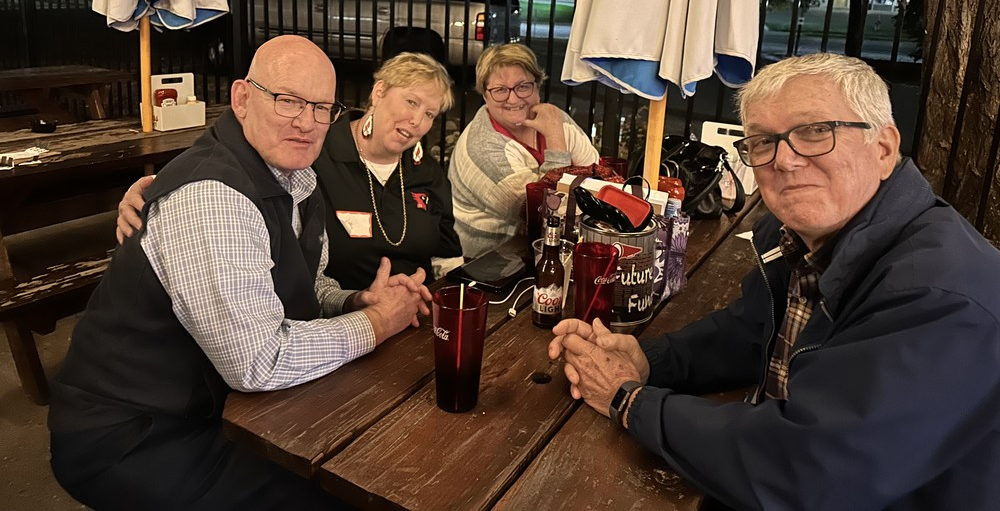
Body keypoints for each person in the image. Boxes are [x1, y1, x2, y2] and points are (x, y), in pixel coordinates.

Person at [549, 52, 1000, 510]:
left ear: (883, 148)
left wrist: (630, 401)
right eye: (764, 141)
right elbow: (751, 331)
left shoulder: (940, 298)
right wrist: (649, 360)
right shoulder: (805, 237)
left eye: (815, 131)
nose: (784, 159)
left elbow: (810, 471)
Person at [49, 36, 432, 510]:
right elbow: (258, 361)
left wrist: (354, 302)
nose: (307, 122)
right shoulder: (213, 197)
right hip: (133, 434)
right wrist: (377, 323)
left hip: (224, 408)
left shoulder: (297, 177)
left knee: (376, 456)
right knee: (347, 491)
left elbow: (307, 283)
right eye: (288, 101)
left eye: (322, 108)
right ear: (242, 98)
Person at [117, 51, 464, 290]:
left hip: (410, 319)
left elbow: (448, 257)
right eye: (411, 102)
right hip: (330, 315)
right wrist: (156, 187)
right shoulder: (312, 146)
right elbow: (237, 165)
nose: (417, 121)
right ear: (379, 91)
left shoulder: (427, 171)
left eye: (429, 114)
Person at [449, 43, 599, 258]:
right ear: (485, 95)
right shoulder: (482, 148)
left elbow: (598, 179)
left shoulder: (552, 118)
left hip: (550, 248)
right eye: (500, 90)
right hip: (489, 261)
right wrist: (556, 140)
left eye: (523, 86)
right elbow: (544, 216)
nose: (513, 99)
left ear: (537, 87)